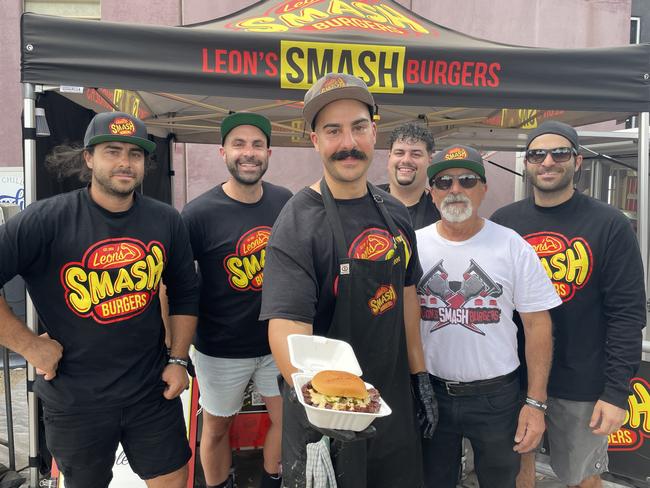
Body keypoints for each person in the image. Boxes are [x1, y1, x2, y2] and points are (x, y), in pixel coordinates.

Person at [0, 112, 199, 488]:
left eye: (135, 154)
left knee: (173, 480)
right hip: (76, 400)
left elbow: (186, 293)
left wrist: (178, 360)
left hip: (150, 390)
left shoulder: (166, 221)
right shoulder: (46, 220)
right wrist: (28, 345)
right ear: (89, 158)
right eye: (112, 151)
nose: (125, 162)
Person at [259, 72, 437, 488]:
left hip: (391, 410)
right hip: (327, 419)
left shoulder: (394, 213)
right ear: (314, 140)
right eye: (333, 131)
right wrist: (326, 406)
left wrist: (419, 375)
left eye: (358, 127)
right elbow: (286, 329)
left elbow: (407, 294)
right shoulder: (298, 222)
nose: (348, 143)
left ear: (374, 132)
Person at [491, 121, 646, 488]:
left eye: (559, 153)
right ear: (527, 163)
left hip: (583, 383)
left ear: (577, 161)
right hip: (515, 379)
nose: (547, 161)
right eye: (536, 154)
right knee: (518, 473)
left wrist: (616, 392)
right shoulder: (504, 223)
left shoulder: (610, 224)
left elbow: (627, 313)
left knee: (583, 478)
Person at [417, 144, 561, 488]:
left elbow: (538, 326)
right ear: (430, 193)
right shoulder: (414, 244)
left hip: (497, 398)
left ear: (483, 188)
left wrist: (536, 404)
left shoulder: (512, 246)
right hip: (430, 392)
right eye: (443, 182)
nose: (455, 190)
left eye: (467, 180)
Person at [181, 112, 292, 488]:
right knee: (215, 427)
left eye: (257, 145)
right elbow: (177, 283)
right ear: (222, 152)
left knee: (287, 419)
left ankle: (271, 479)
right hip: (220, 347)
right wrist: (176, 348)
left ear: (269, 153)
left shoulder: (284, 202)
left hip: (275, 341)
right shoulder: (197, 213)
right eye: (239, 144)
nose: (249, 153)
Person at [378, 122, 441, 229]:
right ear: (389, 157)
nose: (406, 160)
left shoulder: (442, 211)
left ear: (430, 160)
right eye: (399, 153)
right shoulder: (367, 200)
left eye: (416, 154)